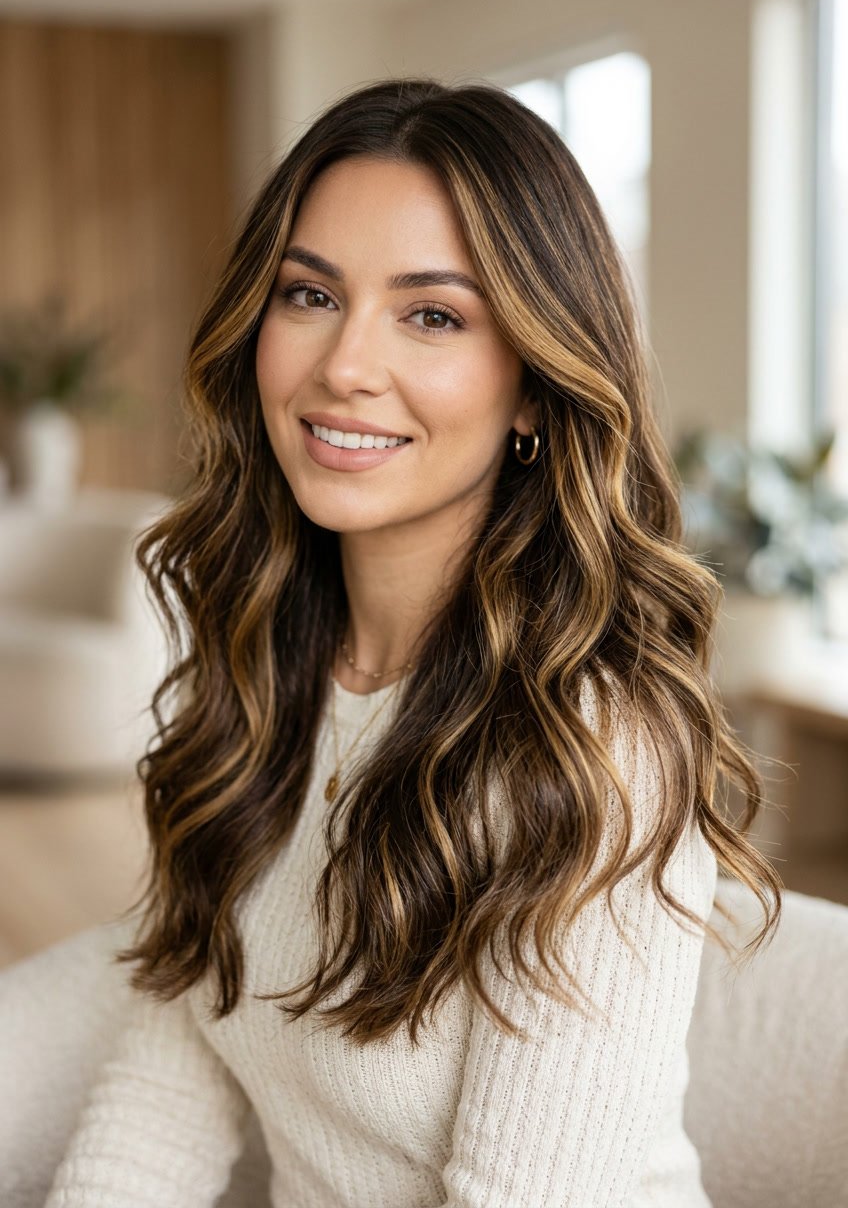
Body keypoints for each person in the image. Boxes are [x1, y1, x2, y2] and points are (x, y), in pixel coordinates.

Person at [45, 77, 782, 1207]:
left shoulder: (594, 752)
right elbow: (177, 1068)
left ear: (534, 385)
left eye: (431, 314)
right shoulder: (260, 668)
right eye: (308, 295)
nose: (343, 364)